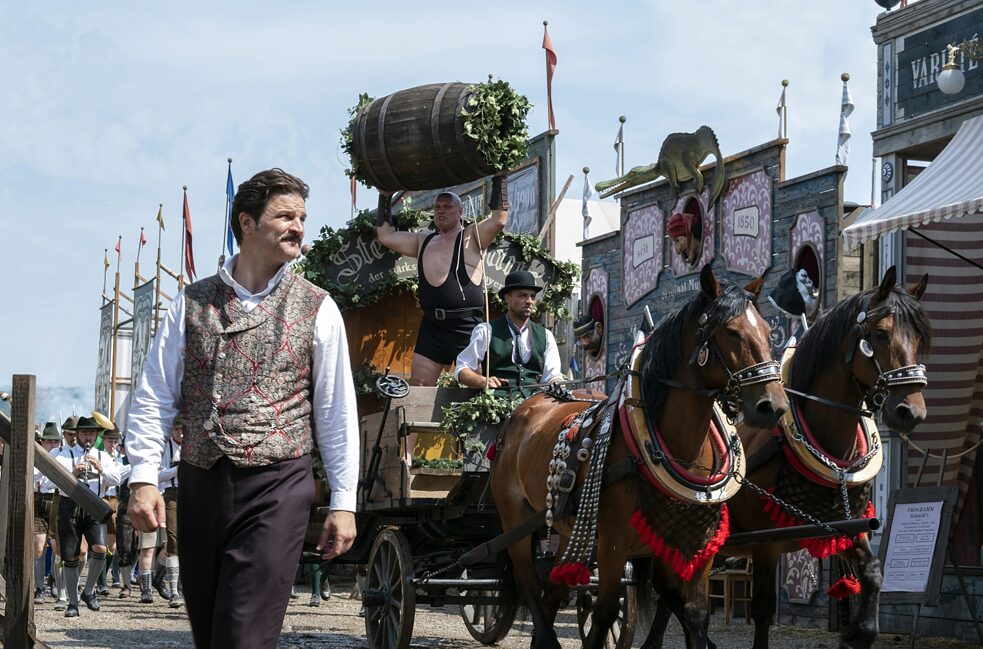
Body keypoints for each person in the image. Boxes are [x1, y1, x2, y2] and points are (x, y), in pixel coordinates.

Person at [126, 168, 359, 649]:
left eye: (302, 218)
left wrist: (343, 502)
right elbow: (154, 393)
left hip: (278, 485)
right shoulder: (191, 303)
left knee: (243, 634)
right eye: (285, 216)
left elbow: (335, 412)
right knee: (211, 631)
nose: (298, 227)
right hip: (201, 480)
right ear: (247, 222)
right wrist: (144, 477)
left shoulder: (318, 307)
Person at [375, 173, 510, 386]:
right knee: (419, 387)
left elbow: (499, 220)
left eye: (447, 207)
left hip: (467, 327)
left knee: (477, 387)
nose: (441, 211)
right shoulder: (422, 241)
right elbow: (386, 236)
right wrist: (384, 195)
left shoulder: (472, 237)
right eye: (437, 207)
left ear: (460, 211)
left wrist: (500, 177)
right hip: (433, 327)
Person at [454, 270, 563, 396]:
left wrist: (556, 383)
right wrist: (482, 381)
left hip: (534, 402)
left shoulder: (546, 335)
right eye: (523, 295)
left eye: (532, 296)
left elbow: (552, 376)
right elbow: (462, 368)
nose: (529, 301)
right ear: (507, 298)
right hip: (497, 403)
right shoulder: (486, 330)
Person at [53, 415, 121, 617]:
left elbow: (116, 479)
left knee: (101, 549)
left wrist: (101, 469)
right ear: (78, 434)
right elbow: (50, 484)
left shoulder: (103, 456)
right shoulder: (64, 456)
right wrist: (72, 473)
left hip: (94, 505)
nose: (87, 437)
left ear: (96, 435)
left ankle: (89, 590)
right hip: (70, 505)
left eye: (91, 433)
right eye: (84, 433)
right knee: (70, 556)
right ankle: (72, 603)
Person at [32, 422, 62, 604]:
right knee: (39, 547)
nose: (52, 445)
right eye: (49, 441)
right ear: (42, 442)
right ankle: (40, 588)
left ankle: (54, 581)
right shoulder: (35, 457)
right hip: (38, 501)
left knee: (57, 547)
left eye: (55, 442)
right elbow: (32, 476)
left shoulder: (61, 456)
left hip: (56, 501)